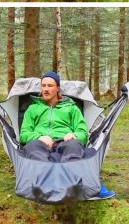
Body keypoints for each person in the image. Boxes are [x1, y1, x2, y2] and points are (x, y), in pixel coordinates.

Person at [19, 71, 115, 200]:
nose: (46, 89)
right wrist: (38, 137)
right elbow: (23, 135)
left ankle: (72, 185)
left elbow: (83, 134)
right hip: (40, 143)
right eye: (44, 86)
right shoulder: (32, 109)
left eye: (50, 86)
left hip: (64, 142)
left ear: (58, 88)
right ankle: (42, 185)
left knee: (74, 145)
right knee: (33, 146)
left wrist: (73, 135)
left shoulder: (71, 108)